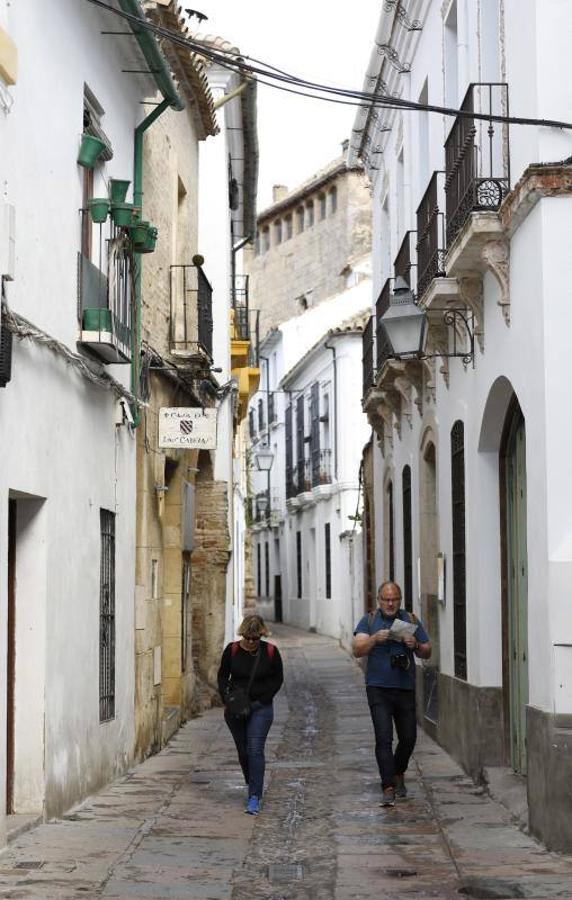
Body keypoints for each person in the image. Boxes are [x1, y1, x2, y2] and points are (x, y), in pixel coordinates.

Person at [353, 581, 431, 807]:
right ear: (378, 600)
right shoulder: (368, 621)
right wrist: (374, 639)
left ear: (399, 600)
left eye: (394, 599)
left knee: (408, 738)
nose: (390, 603)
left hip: (405, 688)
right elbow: (357, 649)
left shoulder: (411, 620)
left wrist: (415, 644)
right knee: (383, 738)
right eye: (385, 599)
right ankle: (388, 786)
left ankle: (398, 772)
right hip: (378, 688)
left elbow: (427, 651)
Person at [217, 614, 283, 816]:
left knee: (255, 749)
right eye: (248, 637)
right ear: (242, 634)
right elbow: (222, 675)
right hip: (237, 709)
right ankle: (251, 778)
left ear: (261, 635)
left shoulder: (271, 652)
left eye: (256, 638)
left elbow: (277, 679)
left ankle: (254, 795)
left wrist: (263, 699)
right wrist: (227, 698)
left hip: (261, 708)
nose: (251, 642)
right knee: (243, 751)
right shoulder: (232, 650)